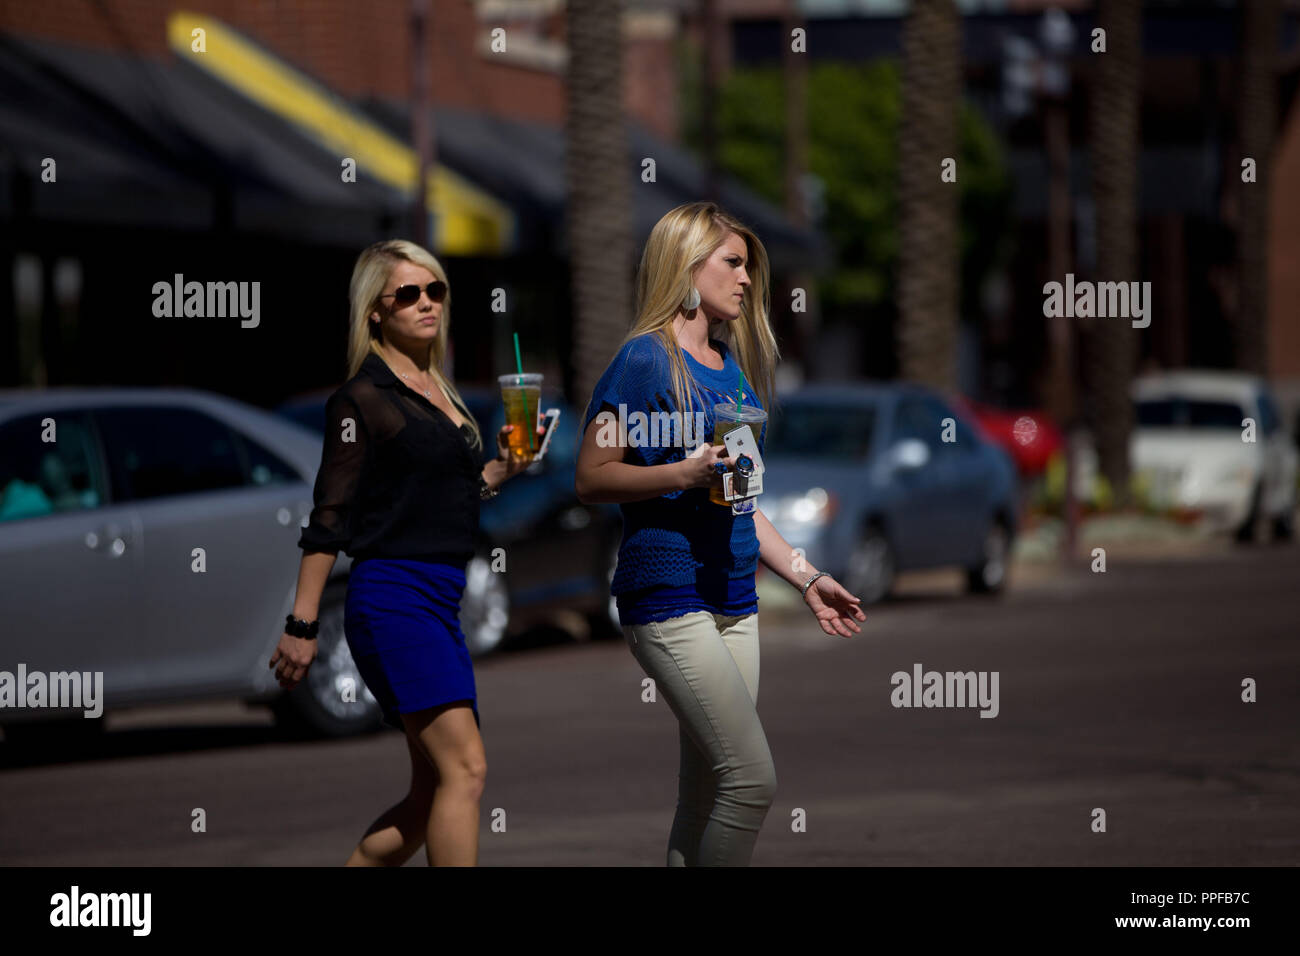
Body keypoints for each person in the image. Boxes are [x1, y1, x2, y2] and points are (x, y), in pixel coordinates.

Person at [574, 201, 867, 866]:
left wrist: (808, 576)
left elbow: (742, 499)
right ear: (687, 264)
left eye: (749, 267)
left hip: (736, 599)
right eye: (733, 263)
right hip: (669, 594)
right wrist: (683, 468)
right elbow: (591, 476)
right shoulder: (644, 362)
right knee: (752, 780)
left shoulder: (728, 365)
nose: (746, 279)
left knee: (706, 792)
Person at [270, 239, 542, 866]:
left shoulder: (441, 393)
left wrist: (502, 468)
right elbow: (328, 518)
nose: (427, 304)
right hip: (392, 599)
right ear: (375, 310)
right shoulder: (361, 399)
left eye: (436, 290)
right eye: (409, 294)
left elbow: (439, 498)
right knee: (466, 771)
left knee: (431, 793)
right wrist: (302, 625)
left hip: (440, 602)